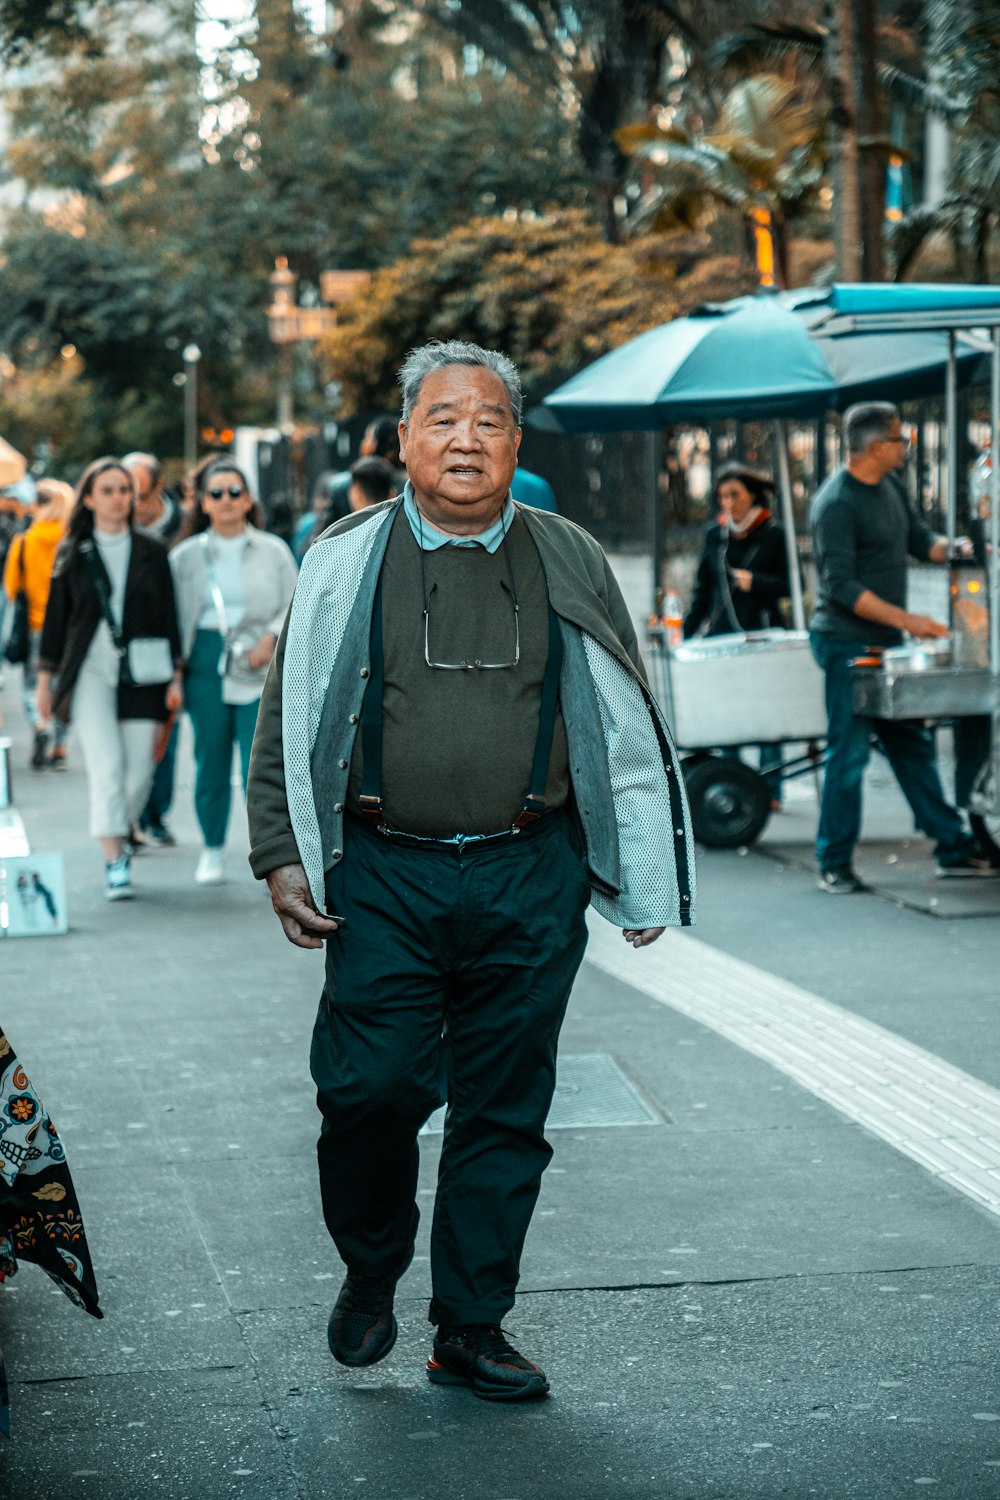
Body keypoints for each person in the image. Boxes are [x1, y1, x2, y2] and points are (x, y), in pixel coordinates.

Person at [246, 339, 694, 1402]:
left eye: (488, 421)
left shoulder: (568, 553)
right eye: (441, 419)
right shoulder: (343, 558)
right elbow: (287, 712)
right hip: (383, 875)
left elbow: (620, 710)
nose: (464, 439)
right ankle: (371, 1265)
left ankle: (471, 1325)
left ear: (515, 442)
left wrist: (634, 864)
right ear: (401, 439)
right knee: (367, 1092)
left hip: (528, 870)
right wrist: (277, 852)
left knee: (504, 1108)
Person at [809, 401, 990, 893]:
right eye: (899, 438)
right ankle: (834, 862)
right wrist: (911, 621)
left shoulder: (889, 486)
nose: (906, 445)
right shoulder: (836, 504)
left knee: (912, 746)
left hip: (886, 642)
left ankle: (953, 847)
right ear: (874, 446)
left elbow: (919, 540)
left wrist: (965, 547)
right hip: (847, 645)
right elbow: (841, 586)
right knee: (848, 755)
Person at [37, 458, 182, 901]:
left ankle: (122, 828)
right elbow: (55, 623)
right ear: (88, 498)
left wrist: (176, 674)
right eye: (108, 489)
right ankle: (114, 858)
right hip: (91, 675)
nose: (118, 497)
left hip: (145, 674)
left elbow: (169, 615)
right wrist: (46, 681)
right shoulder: (73, 552)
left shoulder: (152, 551)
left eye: (124, 489)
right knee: (107, 769)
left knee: (139, 773)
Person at [170, 460, 297, 886]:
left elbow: (297, 600)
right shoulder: (185, 556)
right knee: (210, 759)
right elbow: (172, 618)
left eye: (234, 491)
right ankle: (210, 848)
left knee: (259, 766)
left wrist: (271, 636)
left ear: (248, 498)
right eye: (216, 493)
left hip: (261, 660)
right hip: (205, 659)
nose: (226, 500)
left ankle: (269, 856)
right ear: (203, 502)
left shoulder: (273, 550)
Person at [2, 479, 73, 769]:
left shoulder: (24, 541)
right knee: (64, 686)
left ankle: (40, 725)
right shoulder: (71, 542)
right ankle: (59, 745)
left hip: (35, 625)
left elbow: (10, 586)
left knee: (33, 685)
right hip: (69, 626)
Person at [683, 464, 790, 638]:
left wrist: (756, 582)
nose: (729, 502)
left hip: (764, 633)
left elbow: (794, 584)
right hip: (721, 635)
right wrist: (684, 636)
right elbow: (702, 592)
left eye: (735, 495)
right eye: (723, 496)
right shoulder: (715, 534)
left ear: (752, 494)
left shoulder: (774, 533)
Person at [123, 452, 183, 544]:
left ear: (159, 486)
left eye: (141, 497)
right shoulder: (109, 527)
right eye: (125, 497)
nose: (133, 505)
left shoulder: (187, 524)